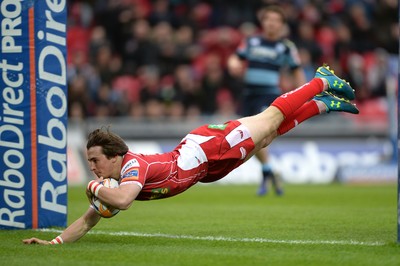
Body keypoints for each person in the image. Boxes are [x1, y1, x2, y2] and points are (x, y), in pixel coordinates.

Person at [23, 65, 358, 245]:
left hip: (206, 146)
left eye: (95, 160)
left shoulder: (132, 167)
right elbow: (88, 219)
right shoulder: (112, 179)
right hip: (206, 171)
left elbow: (123, 200)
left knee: (269, 118)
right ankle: (323, 104)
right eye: (90, 162)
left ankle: (320, 80)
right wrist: (55, 242)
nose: (92, 167)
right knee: (266, 138)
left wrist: (94, 188)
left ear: (114, 155)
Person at [228, 5, 306, 196]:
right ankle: (269, 170)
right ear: (262, 22)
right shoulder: (251, 41)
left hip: (269, 95)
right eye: (268, 19)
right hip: (248, 95)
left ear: (281, 25)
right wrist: (234, 65)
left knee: (259, 135)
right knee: (249, 138)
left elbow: (297, 70)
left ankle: (267, 170)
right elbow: (235, 59)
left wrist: (303, 94)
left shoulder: (286, 47)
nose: (271, 23)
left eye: (275, 20)